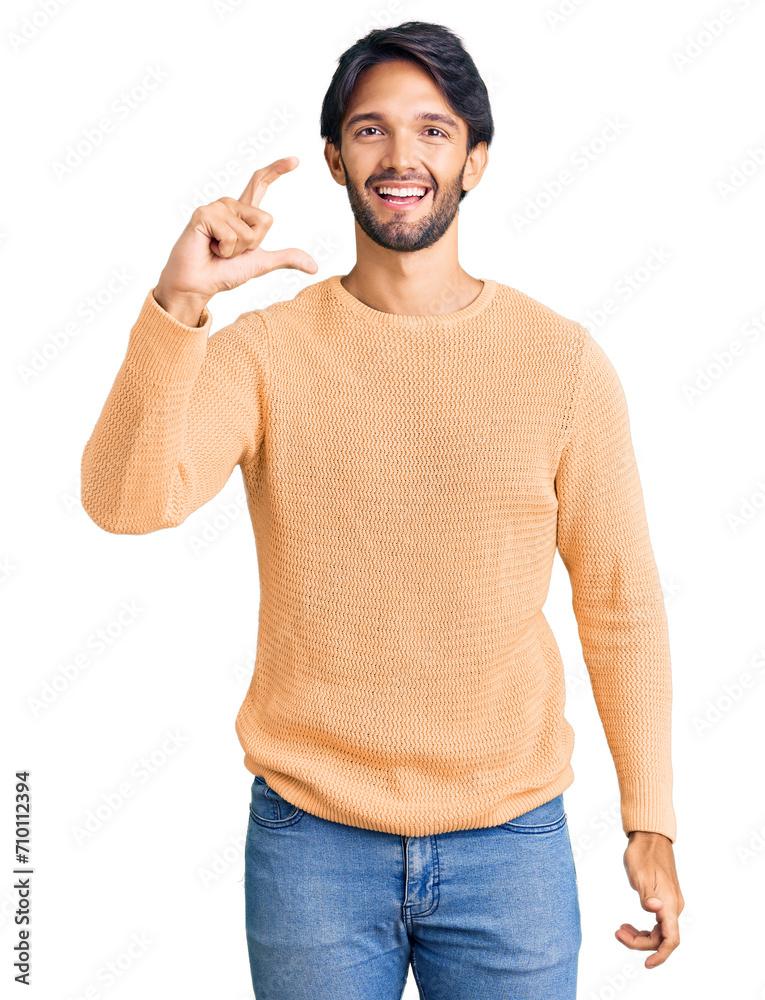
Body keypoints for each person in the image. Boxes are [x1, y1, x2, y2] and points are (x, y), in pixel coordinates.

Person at [80, 19, 684, 999]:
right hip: (312, 842)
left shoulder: (561, 362)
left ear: (475, 160)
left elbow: (620, 600)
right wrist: (180, 304)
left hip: (511, 843)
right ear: (332, 158)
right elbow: (123, 503)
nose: (401, 156)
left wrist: (650, 818)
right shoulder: (266, 353)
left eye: (433, 130)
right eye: (370, 130)